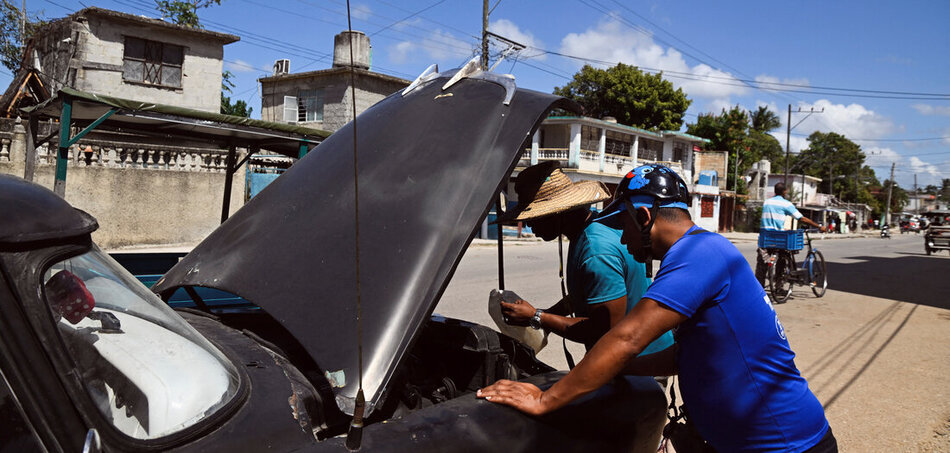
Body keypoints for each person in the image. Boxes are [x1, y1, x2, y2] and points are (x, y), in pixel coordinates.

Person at [478, 164, 837, 453]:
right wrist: (620, 369)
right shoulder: (698, 252)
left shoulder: (699, 255)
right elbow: (686, 355)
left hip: (783, 443)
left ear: (643, 217)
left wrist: (546, 399)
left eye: (623, 225)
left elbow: (627, 337)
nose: (622, 238)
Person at [495, 161, 674, 356]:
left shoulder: (595, 250)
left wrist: (538, 317)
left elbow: (604, 331)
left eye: (534, 217)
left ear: (556, 213)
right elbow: (589, 293)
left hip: (640, 361)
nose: (529, 225)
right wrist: (546, 313)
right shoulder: (591, 227)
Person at [755, 182, 824, 287]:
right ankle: (779, 286)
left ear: (775, 191)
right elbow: (801, 218)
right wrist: (818, 226)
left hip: (765, 237)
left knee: (762, 262)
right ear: (784, 191)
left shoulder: (767, 202)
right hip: (778, 237)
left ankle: (759, 288)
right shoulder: (786, 204)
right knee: (783, 257)